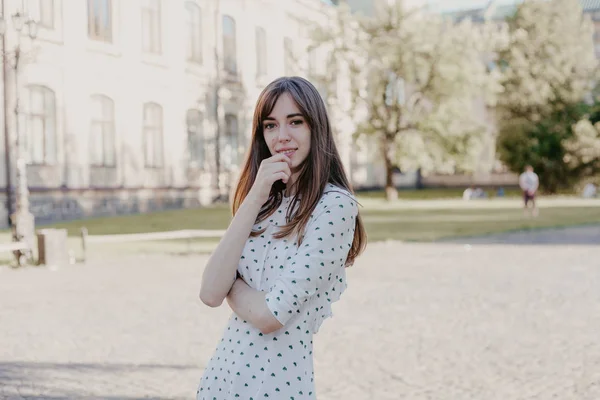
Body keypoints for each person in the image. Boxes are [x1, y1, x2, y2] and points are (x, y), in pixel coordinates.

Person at [197, 76, 367, 400]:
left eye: (295, 122)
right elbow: (208, 292)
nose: (282, 136)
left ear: (315, 128)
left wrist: (231, 287)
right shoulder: (263, 203)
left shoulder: (334, 206)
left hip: (275, 389)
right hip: (219, 383)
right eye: (270, 125)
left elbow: (271, 315)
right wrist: (256, 194)